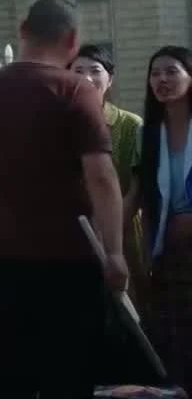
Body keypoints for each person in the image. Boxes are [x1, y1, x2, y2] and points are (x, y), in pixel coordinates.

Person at [0, 0, 126, 398]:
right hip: (69, 262)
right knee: (67, 378)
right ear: (72, 40)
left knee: (6, 380)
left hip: (2, 258)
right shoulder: (76, 90)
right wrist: (114, 251)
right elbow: (102, 177)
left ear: (22, 29)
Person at [131, 45, 192, 393]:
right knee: (174, 341)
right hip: (168, 251)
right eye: (155, 73)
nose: (162, 80)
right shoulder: (150, 134)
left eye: (171, 71)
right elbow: (140, 194)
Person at [72, 43, 147, 309]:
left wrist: (107, 227)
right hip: (73, 237)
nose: (86, 78)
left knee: (127, 309)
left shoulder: (131, 125)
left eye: (95, 70)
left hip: (122, 234)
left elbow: (137, 187)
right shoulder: (59, 124)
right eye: (77, 71)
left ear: (110, 79)